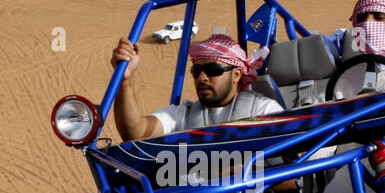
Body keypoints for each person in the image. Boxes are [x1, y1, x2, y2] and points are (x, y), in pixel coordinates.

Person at [110, 34, 283, 141]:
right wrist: (126, 80)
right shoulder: (183, 115)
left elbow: (293, 171)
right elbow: (136, 133)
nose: (202, 77)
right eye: (197, 70)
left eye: (212, 70)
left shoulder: (263, 110)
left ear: (236, 75)